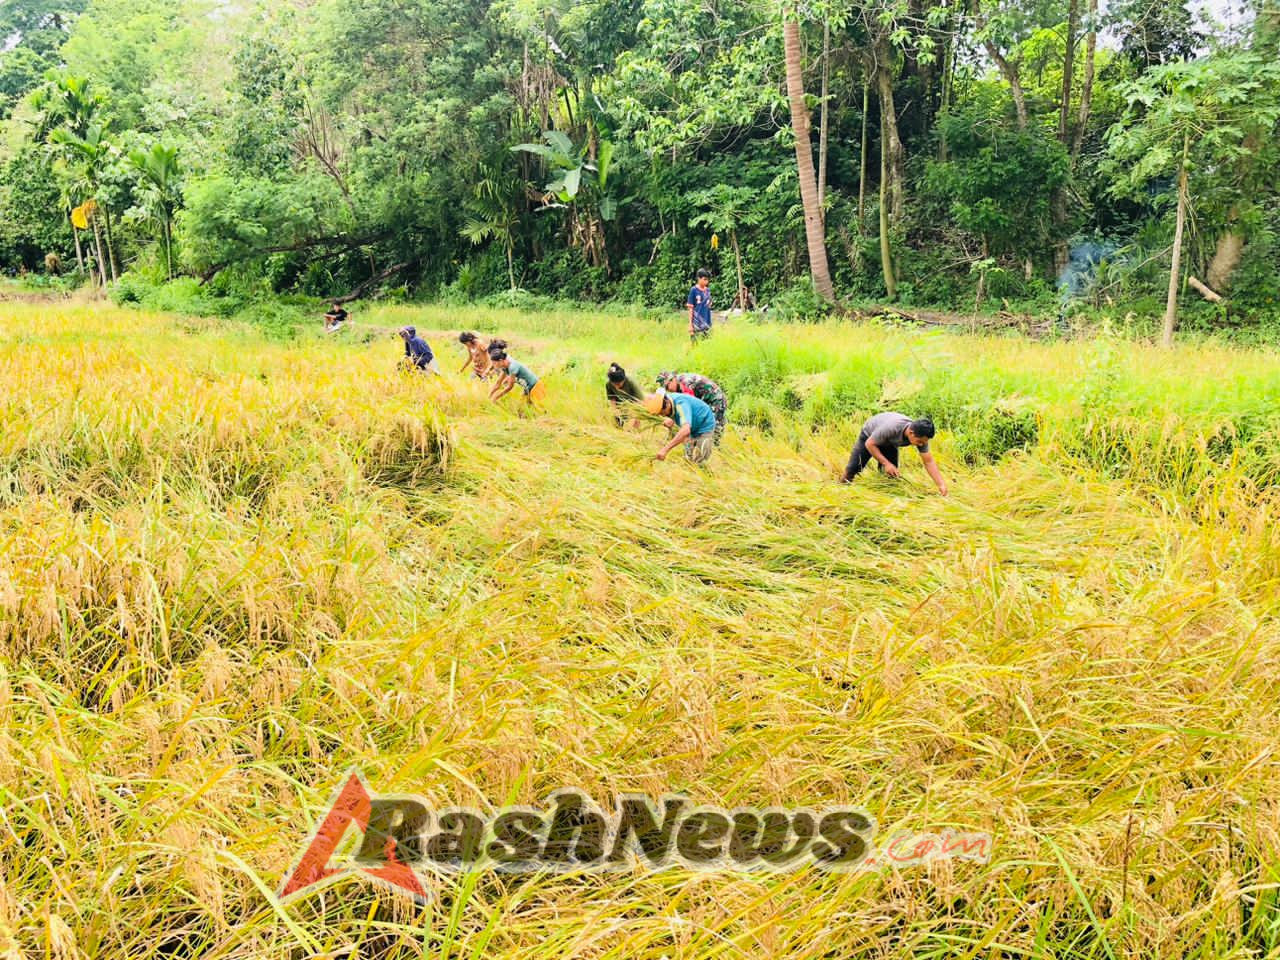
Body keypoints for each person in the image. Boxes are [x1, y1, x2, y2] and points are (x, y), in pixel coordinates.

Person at [842, 412, 948, 496]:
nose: (921, 444)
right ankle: (842, 490)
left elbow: (928, 461)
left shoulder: (921, 437)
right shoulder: (892, 428)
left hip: (889, 443)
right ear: (911, 433)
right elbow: (869, 444)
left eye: (924, 442)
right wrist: (886, 463)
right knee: (853, 468)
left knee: (891, 475)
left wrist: (941, 484)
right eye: (919, 442)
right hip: (869, 436)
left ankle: (883, 498)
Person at [643, 390, 716, 465]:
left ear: (667, 403)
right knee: (688, 459)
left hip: (704, 424)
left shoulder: (680, 404)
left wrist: (665, 449)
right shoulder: (668, 401)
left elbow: (685, 430)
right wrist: (671, 419)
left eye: (663, 413)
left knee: (700, 458)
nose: (663, 415)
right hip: (691, 427)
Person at [657, 371, 727, 444]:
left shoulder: (686, 384)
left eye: (667, 386)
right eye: (665, 388)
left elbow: (689, 409)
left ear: (673, 380)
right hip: (702, 399)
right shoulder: (677, 384)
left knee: (714, 429)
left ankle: (716, 447)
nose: (668, 389)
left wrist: (673, 421)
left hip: (715, 400)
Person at [606, 363, 644, 427]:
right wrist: (615, 410)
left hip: (634, 405)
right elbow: (612, 399)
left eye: (619, 384)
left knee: (634, 423)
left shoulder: (631, 382)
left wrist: (634, 416)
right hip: (620, 406)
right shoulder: (608, 385)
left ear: (624, 380)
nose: (617, 387)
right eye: (614, 384)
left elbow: (639, 402)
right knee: (618, 424)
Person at [686, 268, 713, 344]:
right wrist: (690, 324)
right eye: (704, 279)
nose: (706, 282)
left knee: (708, 345)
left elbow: (709, 304)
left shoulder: (707, 291)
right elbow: (690, 308)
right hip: (697, 324)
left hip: (707, 323)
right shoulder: (693, 290)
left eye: (707, 280)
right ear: (699, 278)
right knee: (696, 345)